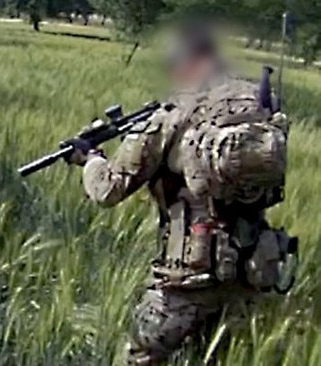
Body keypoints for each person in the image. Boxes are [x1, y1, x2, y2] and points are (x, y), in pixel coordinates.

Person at [66, 22, 297, 365]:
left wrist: (91, 159)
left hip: (187, 277)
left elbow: (108, 190)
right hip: (252, 270)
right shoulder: (262, 107)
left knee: (138, 358)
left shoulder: (171, 117)